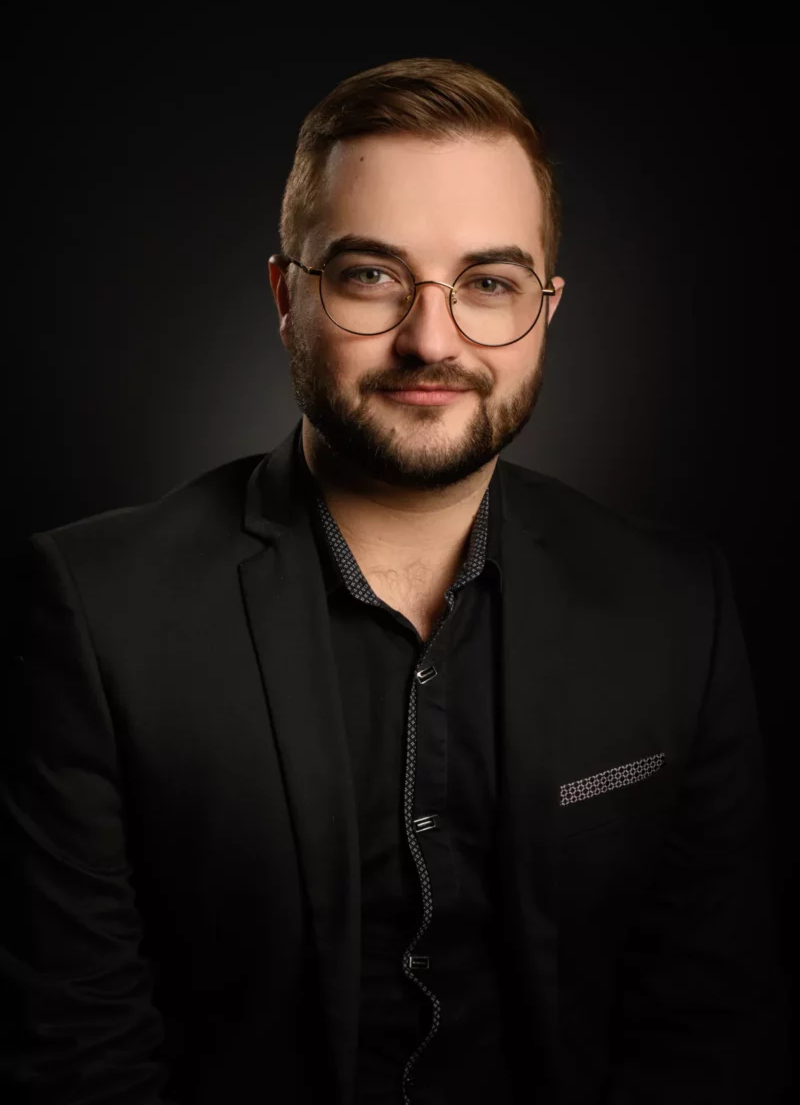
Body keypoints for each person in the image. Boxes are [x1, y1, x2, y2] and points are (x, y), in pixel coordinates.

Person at [1, 58, 785, 1105]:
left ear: (543, 310)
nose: (429, 338)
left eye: (487, 284)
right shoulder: (92, 611)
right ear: (288, 297)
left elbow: (706, 1028)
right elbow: (74, 1057)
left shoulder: (676, 606)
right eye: (369, 274)